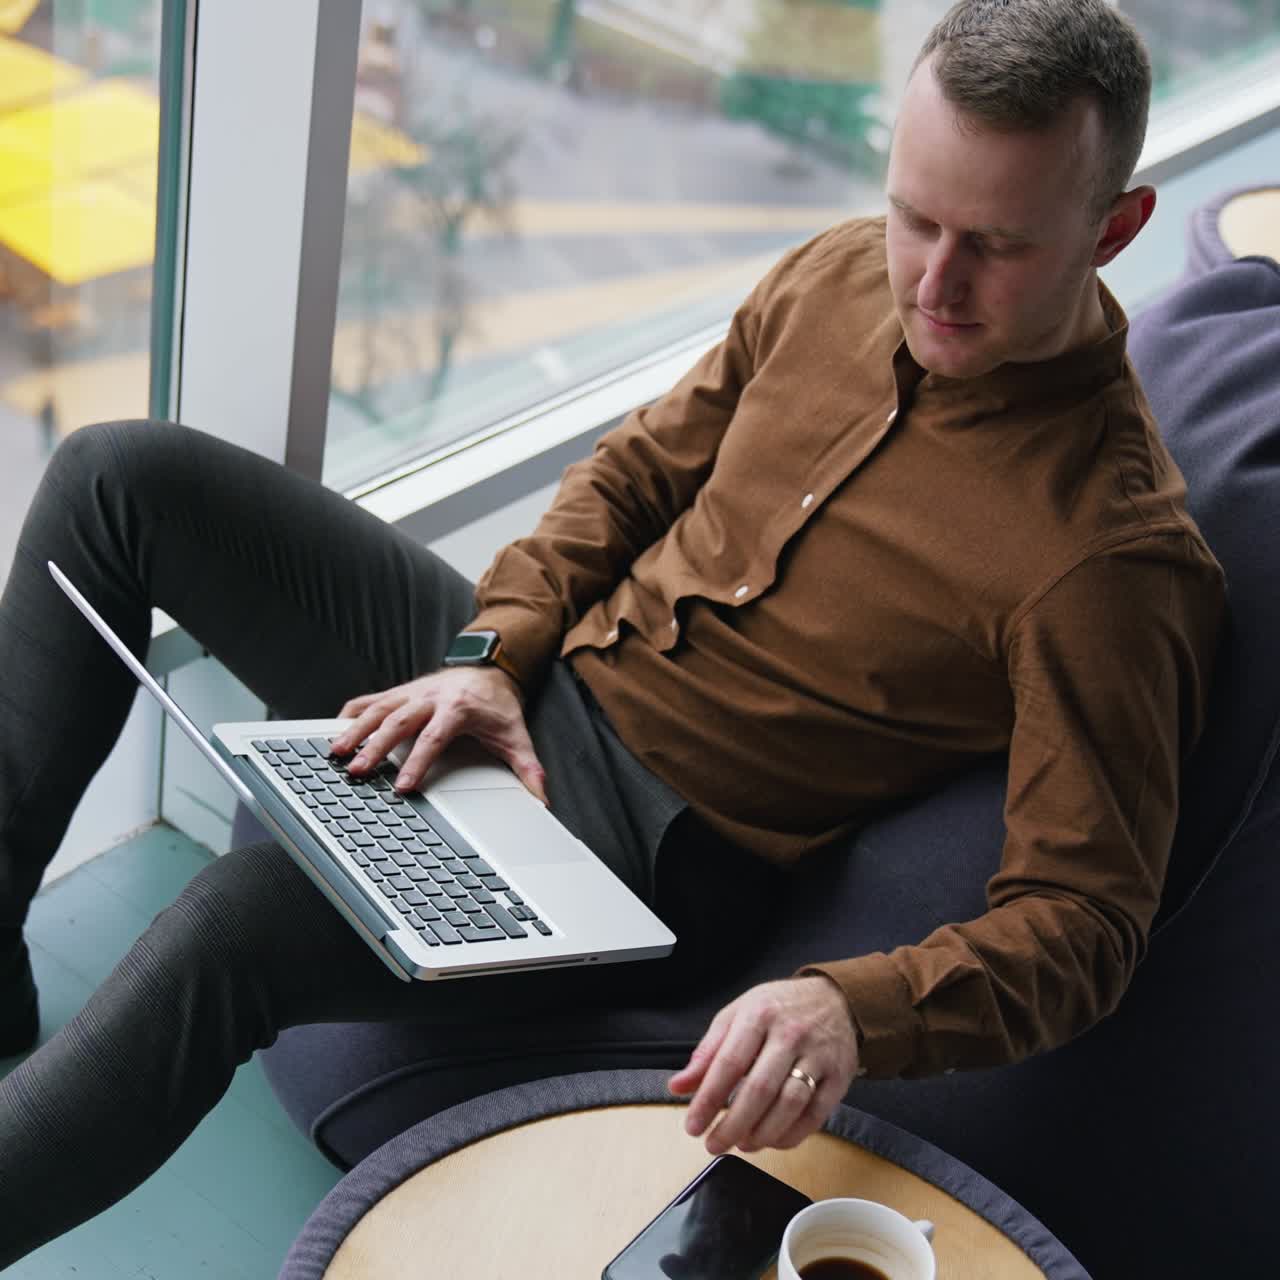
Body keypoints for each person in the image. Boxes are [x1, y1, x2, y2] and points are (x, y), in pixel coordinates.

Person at [0, 0, 1225, 1263]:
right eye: (915, 214)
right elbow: (634, 471)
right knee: (115, 478)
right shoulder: (838, 273)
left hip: (639, 851)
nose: (930, 278)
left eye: (993, 245)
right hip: (535, 675)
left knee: (234, 921)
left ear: (1114, 227)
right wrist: (488, 658)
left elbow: (1083, 922)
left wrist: (848, 1005)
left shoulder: (1107, 558)